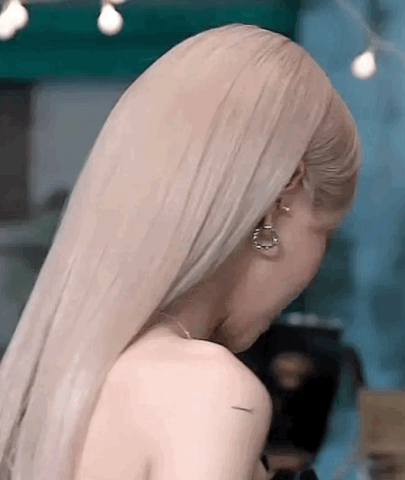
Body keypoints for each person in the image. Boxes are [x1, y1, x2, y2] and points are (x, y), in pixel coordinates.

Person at [0, 23, 360, 480]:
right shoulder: (207, 391)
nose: (315, 265)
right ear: (279, 198)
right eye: (325, 232)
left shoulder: (54, 389)